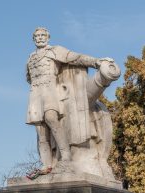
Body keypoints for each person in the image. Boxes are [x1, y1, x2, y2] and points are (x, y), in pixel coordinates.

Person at [26, 27, 113, 174]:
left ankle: (65, 157)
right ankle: (46, 165)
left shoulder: (55, 51)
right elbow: (28, 77)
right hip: (35, 94)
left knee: (51, 119)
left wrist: (96, 62)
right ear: (34, 39)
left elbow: (76, 57)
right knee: (41, 131)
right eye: (37, 36)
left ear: (48, 37)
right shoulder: (31, 57)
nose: (40, 38)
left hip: (50, 92)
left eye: (43, 35)